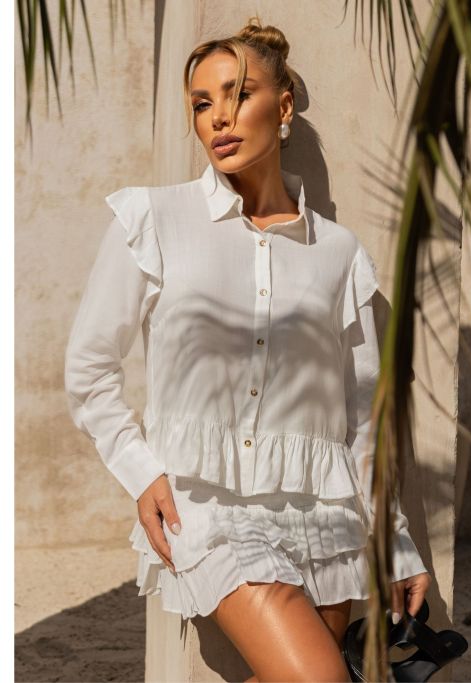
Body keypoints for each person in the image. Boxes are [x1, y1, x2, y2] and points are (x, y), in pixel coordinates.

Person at [64, 15, 431, 683]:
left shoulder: (339, 253)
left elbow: (361, 415)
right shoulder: (153, 219)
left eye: (238, 94)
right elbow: (89, 369)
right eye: (201, 103)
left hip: (326, 517)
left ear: (283, 108)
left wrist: (395, 540)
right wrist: (141, 471)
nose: (218, 117)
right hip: (208, 508)